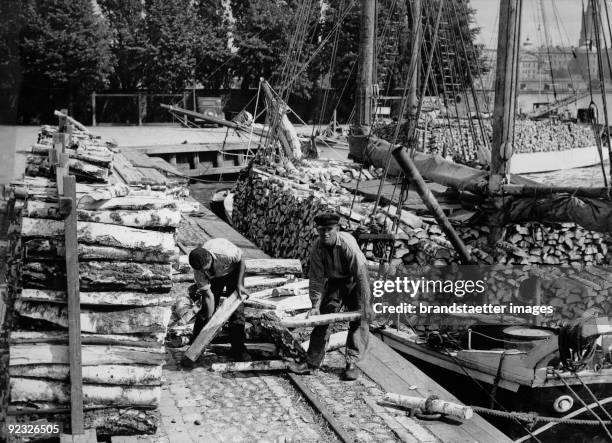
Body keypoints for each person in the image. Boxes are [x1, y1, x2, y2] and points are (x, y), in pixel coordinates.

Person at [292, 212, 373, 380]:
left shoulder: (347, 244)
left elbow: (362, 274)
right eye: (321, 230)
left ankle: (352, 363)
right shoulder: (317, 248)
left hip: (355, 280)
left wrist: (366, 303)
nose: (325, 234)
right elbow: (316, 278)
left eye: (329, 229)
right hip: (335, 282)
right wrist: (315, 305)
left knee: (360, 319)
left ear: (337, 229)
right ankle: (312, 362)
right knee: (323, 318)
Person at [187, 238, 250, 361]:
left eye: (206, 268)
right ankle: (195, 347)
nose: (204, 271)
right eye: (202, 270)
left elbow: (241, 261)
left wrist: (240, 284)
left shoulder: (226, 253)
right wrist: (211, 318)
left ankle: (238, 349)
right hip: (215, 278)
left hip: (233, 272)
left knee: (237, 312)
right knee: (205, 311)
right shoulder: (199, 271)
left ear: (210, 258)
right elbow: (208, 295)